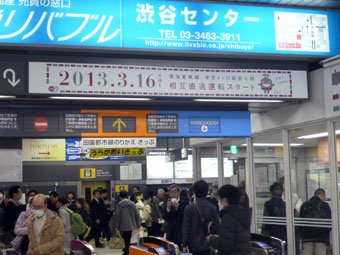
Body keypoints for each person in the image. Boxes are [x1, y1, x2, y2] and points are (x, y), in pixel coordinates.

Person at [207, 185, 251, 255]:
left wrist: (212, 239)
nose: (220, 202)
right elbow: (235, 238)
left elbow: (225, 245)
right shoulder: (242, 215)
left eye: (220, 199)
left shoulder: (228, 218)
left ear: (225, 200)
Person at [182, 180, 219, 255]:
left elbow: (186, 228)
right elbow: (217, 227)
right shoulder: (212, 207)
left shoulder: (189, 208)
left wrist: (184, 244)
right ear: (207, 191)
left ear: (194, 192)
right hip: (209, 245)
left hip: (194, 245)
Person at [300, 188, 331, 255]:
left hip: (306, 238)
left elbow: (300, 223)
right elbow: (329, 224)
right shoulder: (325, 205)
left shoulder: (304, 205)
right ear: (322, 195)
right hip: (321, 238)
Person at [162, 183, 189, 248]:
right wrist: (168, 208)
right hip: (170, 232)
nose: (173, 194)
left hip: (180, 232)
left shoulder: (184, 202)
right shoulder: (167, 201)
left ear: (179, 192)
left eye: (175, 192)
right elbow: (165, 217)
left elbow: (185, 216)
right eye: (171, 192)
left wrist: (178, 208)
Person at [115, 190, 141, 255]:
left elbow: (118, 217)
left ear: (120, 196)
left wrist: (116, 227)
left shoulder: (119, 205)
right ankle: (128, 251)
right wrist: (138, 225)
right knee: (130, 241)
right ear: (127, 196)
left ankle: (127, 252)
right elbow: (137, 215)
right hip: (132, 226)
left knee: (126, 241)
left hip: (123, 226)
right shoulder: (132, 204)